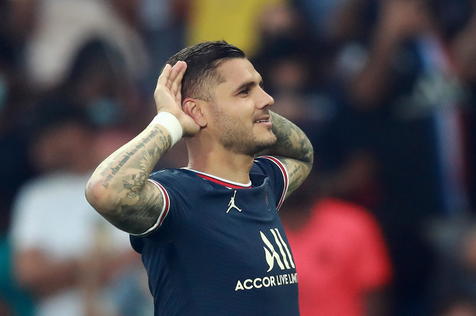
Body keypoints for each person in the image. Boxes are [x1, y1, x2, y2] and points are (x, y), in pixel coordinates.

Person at [85, 41, 314, 315]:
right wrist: (169, 121)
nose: (267, 99)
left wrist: (256, 111)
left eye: (260, 86)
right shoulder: (179, 194)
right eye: (244, 91)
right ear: (197, 112)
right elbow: (104, 191)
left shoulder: (263, 182)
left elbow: (303, 154)